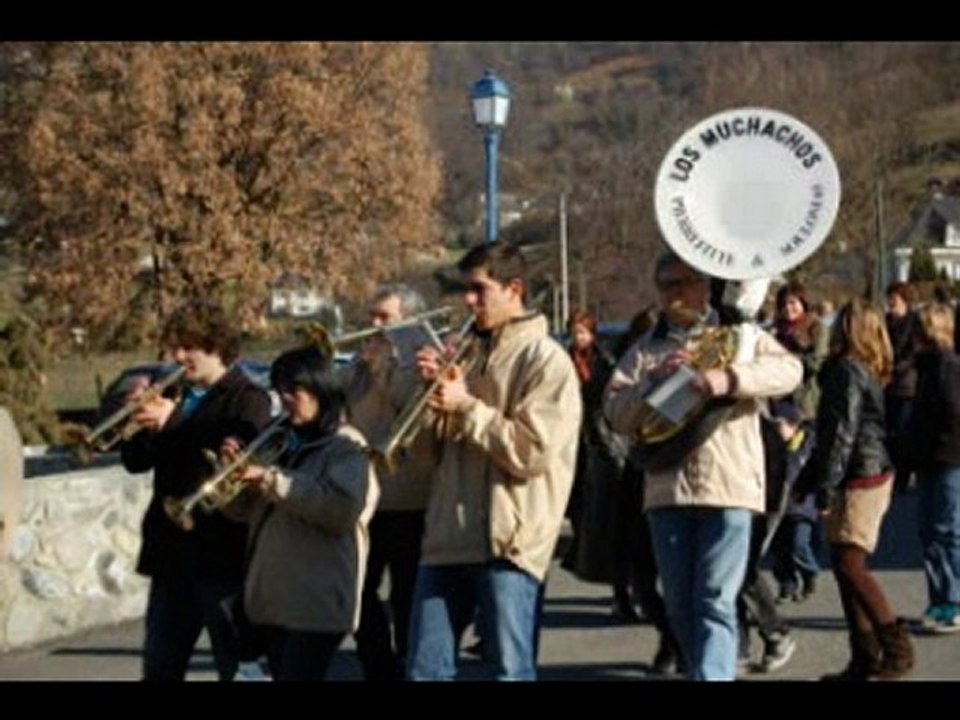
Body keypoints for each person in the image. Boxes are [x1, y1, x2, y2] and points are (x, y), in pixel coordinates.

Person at [603, 251, 802, 681]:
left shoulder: (739, 335)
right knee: (680, 604)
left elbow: (790, 370)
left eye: (685, 282)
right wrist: (652, 383)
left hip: (729, 485)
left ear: (705, 286)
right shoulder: (647, 347)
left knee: (715, 599)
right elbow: (615, 411)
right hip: (666, 489)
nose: (676, 293)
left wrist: (728, 379)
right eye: (667, 285)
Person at [406, 241, 582, 681]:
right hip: (447, 535)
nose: (469, 301)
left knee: (509, 671)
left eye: (480, 290)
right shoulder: (465, 355)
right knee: (424, 670)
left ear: (513, 289)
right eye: (465, 290)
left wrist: (467, 406)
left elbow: (532, 452)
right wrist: (429, 398)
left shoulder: (546, 360)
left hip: (509, 543)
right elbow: (426, 460)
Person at [120, 299, 273, 681]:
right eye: (174, 347)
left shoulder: (248, 398)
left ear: (216, 345)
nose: (177, 357)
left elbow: (229, 462)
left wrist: (173, 421)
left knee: (236, 665)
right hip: (171, 552)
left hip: (221, 552)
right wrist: (135, 424)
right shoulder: (173, 393)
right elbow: (136, 462)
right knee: (160, 667)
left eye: (187, 347)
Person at [222, 344, 379, 680]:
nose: (285, 399)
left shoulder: (346, 446)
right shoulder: (278, 440)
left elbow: (341, 511)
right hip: (273, 600)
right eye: (280, 390)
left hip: (316, 602)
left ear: (320, 389)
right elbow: (242, 513)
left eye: (295, 390)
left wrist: (271, 480)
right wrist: (232, 477)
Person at [796, 298, 915, 681]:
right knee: (845, 566)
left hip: (860, 474)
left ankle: (896, 649)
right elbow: (834, 434)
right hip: (865, 469)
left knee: (850, 565)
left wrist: (824, 487)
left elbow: (840, 435)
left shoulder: (846, 371)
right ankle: (864, 658)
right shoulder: (863, 369)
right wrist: (812, 480)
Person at [343, 283, 433, 681]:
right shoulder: (363, 361)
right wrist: (358, 368)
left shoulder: (422, 360)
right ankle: (379, 665)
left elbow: (410, 407)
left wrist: (383, 367)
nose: (375, 326)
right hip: (367, 495)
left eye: (385, 318)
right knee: (357, 589)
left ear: (409, 321)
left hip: (411, 496)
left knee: (407, 594)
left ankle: (410, 663)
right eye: (372, 317)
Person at [561, 308, 636, 619]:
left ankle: (621, 588)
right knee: (583, 514)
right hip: (573, 444)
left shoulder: (604, 362)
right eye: (574, 332)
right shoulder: (562, 361)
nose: (578, 338)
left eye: (583, 332)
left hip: (600, 444)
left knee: (608, 520)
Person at [903, 302, 960, 633]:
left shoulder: (948, 367)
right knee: (929, 532)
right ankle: (940, 598)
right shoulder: (926, 367)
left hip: (949, 458)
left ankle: (953, 600)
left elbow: (953, 413)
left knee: (947, 530)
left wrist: (929, 439)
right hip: (929, 459)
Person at [768, 400, 821, 604]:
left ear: (794, 425)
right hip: (775, 506)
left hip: (801, 505)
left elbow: (816, 470)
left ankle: (809, 571)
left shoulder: (808, 444)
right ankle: (786, 584)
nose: (778, 429)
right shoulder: (771, 445)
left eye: (781, 424)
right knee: (778, 550)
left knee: (799, 544)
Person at [773, 282, 829, 422]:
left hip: (804, 398)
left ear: (803, 303)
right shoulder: (777, 331)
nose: (788, 308)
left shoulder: (817, 328)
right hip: (778, 394)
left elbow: (817, 362)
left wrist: (788, 358)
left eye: (792, 303)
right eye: (783, 304)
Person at [884, 281, 919, 493]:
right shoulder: (886, 322)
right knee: (889, 431)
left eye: (894, 299)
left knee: (903, 431)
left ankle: (903, 476)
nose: (890, 303)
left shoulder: (914, 322)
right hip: (886, 385)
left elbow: (913, 354)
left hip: (906, 386)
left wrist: (895, 368)